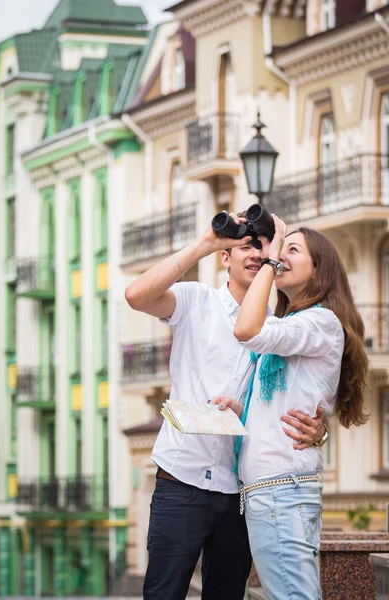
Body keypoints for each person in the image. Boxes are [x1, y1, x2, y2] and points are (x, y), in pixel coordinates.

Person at [125, 212, 327, 600]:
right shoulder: (196, 300)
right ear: (225, 258)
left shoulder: (278, 329)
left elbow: (300, 399)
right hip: (181, 481)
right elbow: (136, 295)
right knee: (163, 593)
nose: (256, 252)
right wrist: (207, 242)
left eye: (266, 245)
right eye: (246, 244)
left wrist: (321, 427)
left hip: (241, 492)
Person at [211, 216, 369, 600]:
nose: (279, 256)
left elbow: (246, 331)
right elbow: (281, 402)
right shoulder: (297, 324)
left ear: (320, 269)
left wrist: (268, 261)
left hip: (282, 488)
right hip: (273, 488)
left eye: (291, 250)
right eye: (280, 251)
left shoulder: (319, 322)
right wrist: (240, 409)